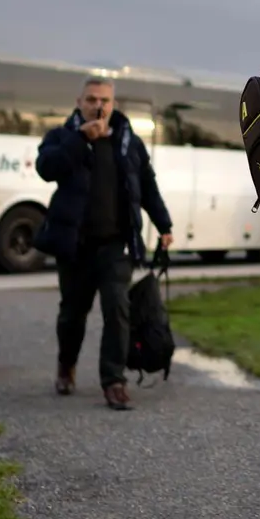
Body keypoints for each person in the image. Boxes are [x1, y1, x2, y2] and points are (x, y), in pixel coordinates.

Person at [33, 76, 174, 411]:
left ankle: (114, 381)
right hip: (75, 245)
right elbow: (46, 168)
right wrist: (80, 140)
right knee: (71, 315)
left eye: (105, 101)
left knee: (118, 310)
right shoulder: (62, 136)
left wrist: (164, 224)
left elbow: (147, 186)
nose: (99, 106)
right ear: (79, 101)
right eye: (92, 99)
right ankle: (66, 366)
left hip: (115, 245)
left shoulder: (129, 141)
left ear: (113, 104)